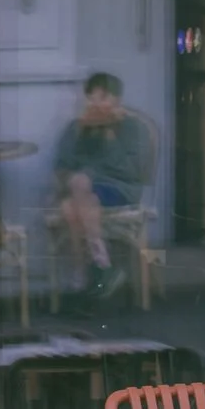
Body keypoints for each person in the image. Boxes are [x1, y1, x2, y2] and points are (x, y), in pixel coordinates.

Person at [51, 71, 157, 291]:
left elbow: (134, 171)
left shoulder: (133, 128)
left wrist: (110, 135)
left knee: (78, 187)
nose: (96, 103)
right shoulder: (78, 127)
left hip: (119, 189)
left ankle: (85, 275)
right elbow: (62, 164)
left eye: (103, 98)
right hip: (84, 193)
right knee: (68, 206)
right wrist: (80, 131)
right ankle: (96, 273)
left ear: (116, 101)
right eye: (91, 97)